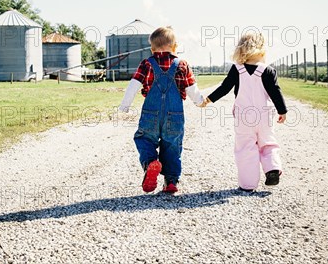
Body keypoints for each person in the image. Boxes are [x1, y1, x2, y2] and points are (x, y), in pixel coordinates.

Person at [119, 26, 204, 194]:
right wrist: (200, 101)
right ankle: (171, 181)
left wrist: (125, 105)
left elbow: (133, 85)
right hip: (175, 116)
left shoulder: (146, 64)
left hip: (150, 114)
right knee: (172, 145)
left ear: (152, 48)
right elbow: (192, 89)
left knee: (144, 138)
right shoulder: (182, 65)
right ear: (175, 46)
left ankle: (151, 162)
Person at [200, 32, 287, 192]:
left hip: (244, 118)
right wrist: (282, 111)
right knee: (268, 143)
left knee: (246, 148)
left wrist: (209, 99)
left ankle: (248, 184)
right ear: (261, 50)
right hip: (265, 117)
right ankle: (272, 169)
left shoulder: (237, 69)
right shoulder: (267, 70)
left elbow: (225, 88)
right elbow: (275, 92)